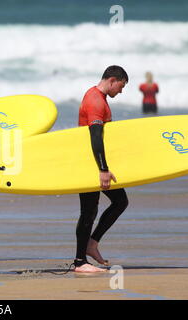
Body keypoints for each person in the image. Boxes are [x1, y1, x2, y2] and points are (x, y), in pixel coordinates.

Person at [74, 65, 129, 273]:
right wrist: (103, 169)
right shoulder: (95, 100)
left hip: (95, 163)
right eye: (121, 87)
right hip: (90, 164)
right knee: (88, 211)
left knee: (119, 201)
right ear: (112, 80)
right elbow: (95, 136)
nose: (121, 91)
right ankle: (80, 262)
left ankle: (92, 244)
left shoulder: (98, 97)